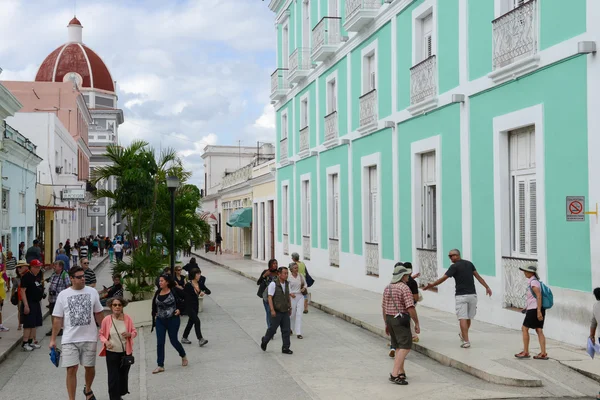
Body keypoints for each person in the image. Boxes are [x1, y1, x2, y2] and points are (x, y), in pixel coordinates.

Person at [50, 266, 104, 400]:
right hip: (69, 338)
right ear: (72, 279)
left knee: (89, 367)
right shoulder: (63, 295)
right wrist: (53, 339)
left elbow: (99, 314)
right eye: (79, 277)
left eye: (83, 276)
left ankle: (88, 389)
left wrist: (105, 333)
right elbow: (57, 319)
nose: (83, 279)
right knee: (71, 369)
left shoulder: (92, 292)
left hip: (89, 337)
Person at [423, 249, 492, 348]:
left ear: (457, 255)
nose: (450, 258)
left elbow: (444, 278)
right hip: (472, 295)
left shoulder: (454, 267)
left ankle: (466, 341)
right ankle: (464, 336)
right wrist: (487, 287)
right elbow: (478, 277)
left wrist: (432, 284)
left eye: (452, 256)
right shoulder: (469, 264)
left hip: (461, 296)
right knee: (468, 317)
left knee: (463, 318)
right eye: (449, 256)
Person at [383, 264, 420, 385]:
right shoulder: (404, 288)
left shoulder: (388, 287)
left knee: (398, 346)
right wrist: (416, 323)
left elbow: (383, 307)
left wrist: (386, 323)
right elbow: (410, 307)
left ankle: (400, 371)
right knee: (405, 346)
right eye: (407, 274)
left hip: (389, 318)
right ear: (402, 276)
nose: (408, 276)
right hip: (400, 320)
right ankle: (394, 374)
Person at [99, 296, 137, 400]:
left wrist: (130, 334)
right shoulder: (107, 320)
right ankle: (114, 398)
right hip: (112, 352)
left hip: (125, 353)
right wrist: (106, 342)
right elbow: (101, 334)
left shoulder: (127, 318)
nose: (117, 307)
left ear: (122, 306)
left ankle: (119, 395)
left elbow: (134, 332)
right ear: (111, 307)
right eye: (114, 305)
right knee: (113, 377)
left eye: (119, 305)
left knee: (122, 376)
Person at [151, 275, 188, 374]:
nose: (160, 282)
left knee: (173, 340)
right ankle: (160, 365)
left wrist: (180, 309)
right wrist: (154, 313)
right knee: (160, 342)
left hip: (173, 320)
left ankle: (183, 355)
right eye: (159, 281)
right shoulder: (158, 292)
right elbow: (154, 305)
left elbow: (186, 298)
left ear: (167, 282)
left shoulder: (174, 290)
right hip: (160, 321)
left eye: (162, 281)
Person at [514, 265, 548, 360]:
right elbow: (533, 298)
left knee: (524, 328)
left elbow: (538, 296)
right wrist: (527, 307)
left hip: (534, 309)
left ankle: (525, 351)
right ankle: (543, 353)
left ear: (532, 273)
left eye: (526, 271)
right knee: (539, 330)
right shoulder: (534, 282)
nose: (525, 273)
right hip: (535, 308)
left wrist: (538, 311)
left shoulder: (533, 283)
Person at [260, 266, 293, 354]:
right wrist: (272, 310)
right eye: (284, 273)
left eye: (287, 273)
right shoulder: (273, 284)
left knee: (286, 330)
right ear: (279, 274)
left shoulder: (287, 284)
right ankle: (265, 340)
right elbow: (270, 298)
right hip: (277, 311)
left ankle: (285, 347)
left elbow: (287, 296)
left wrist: (290, 307)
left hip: (285, 310)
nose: (286, 275)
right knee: (272, 329)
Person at [181, 268, 210, 347]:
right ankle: (200, 339)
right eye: (197, 274)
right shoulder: (188, 285)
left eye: (199, 274)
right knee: (197, 321)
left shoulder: (200, 283)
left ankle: (184, 337)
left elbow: (208, 291)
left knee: (191, 322)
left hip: (195, 306)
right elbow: (184, 296)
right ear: (193, 275)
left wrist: (203, 292)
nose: (199, 276)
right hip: (189, 306)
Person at [20, 259, 44, 351]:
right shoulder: (27, 277)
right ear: (32, 267)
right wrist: (26, 305)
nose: (39, 269)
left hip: (36, 302)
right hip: (29, 302)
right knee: (28, 324)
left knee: (34, 323)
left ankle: (31, 341)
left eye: (39, 267)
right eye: (37, 267)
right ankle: (25, 343)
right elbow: (23, 291)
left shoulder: (36, 276)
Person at [45, 260, 71, 336]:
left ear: (60, 267)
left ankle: (60, 329)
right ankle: (54, 328)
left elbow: (68, 287)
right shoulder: (53, 274)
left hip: (60, 300)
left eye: (55, 266)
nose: (54, 267)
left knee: (59, 315)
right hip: (52, 298)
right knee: (52, 314)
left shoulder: (64, 275)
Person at [257, 259, 279, 330]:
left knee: (275, 314)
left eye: (276, 263)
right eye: (273, 263)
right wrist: (264, 275)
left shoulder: (278, 273)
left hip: (276, 296)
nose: (275, 265)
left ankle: (273, 327)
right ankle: (270, 329)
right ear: (270, 264)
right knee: (269, 312)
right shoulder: (266, 272)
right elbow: (258, 282)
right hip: (266, 296)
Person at [288, 262, 306, 339]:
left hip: (300, 296)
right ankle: (290, 329)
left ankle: (298, 332)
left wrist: (304, 288)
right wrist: (290, 293)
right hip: (293, 297)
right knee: (292, 314)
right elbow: (287, 287)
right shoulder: (289, 277)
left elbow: (305, 284)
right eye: (295, 268)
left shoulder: (301, 276)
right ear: (291, 269)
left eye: (297, 268)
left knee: (299, 314)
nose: (297, 269)